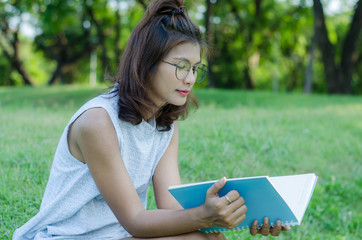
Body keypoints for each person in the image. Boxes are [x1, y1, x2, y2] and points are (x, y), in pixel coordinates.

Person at [13, 0, 290, 239]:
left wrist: (244, 215)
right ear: (148, 61)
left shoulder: (164, 124)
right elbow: (135, 219)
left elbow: (170, 209)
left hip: (120, 236)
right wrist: (205, 216)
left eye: (195, 68)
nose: (190, 78)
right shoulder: (98, 122)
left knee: (209, 237)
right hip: (69, 237)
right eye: (181, 66)